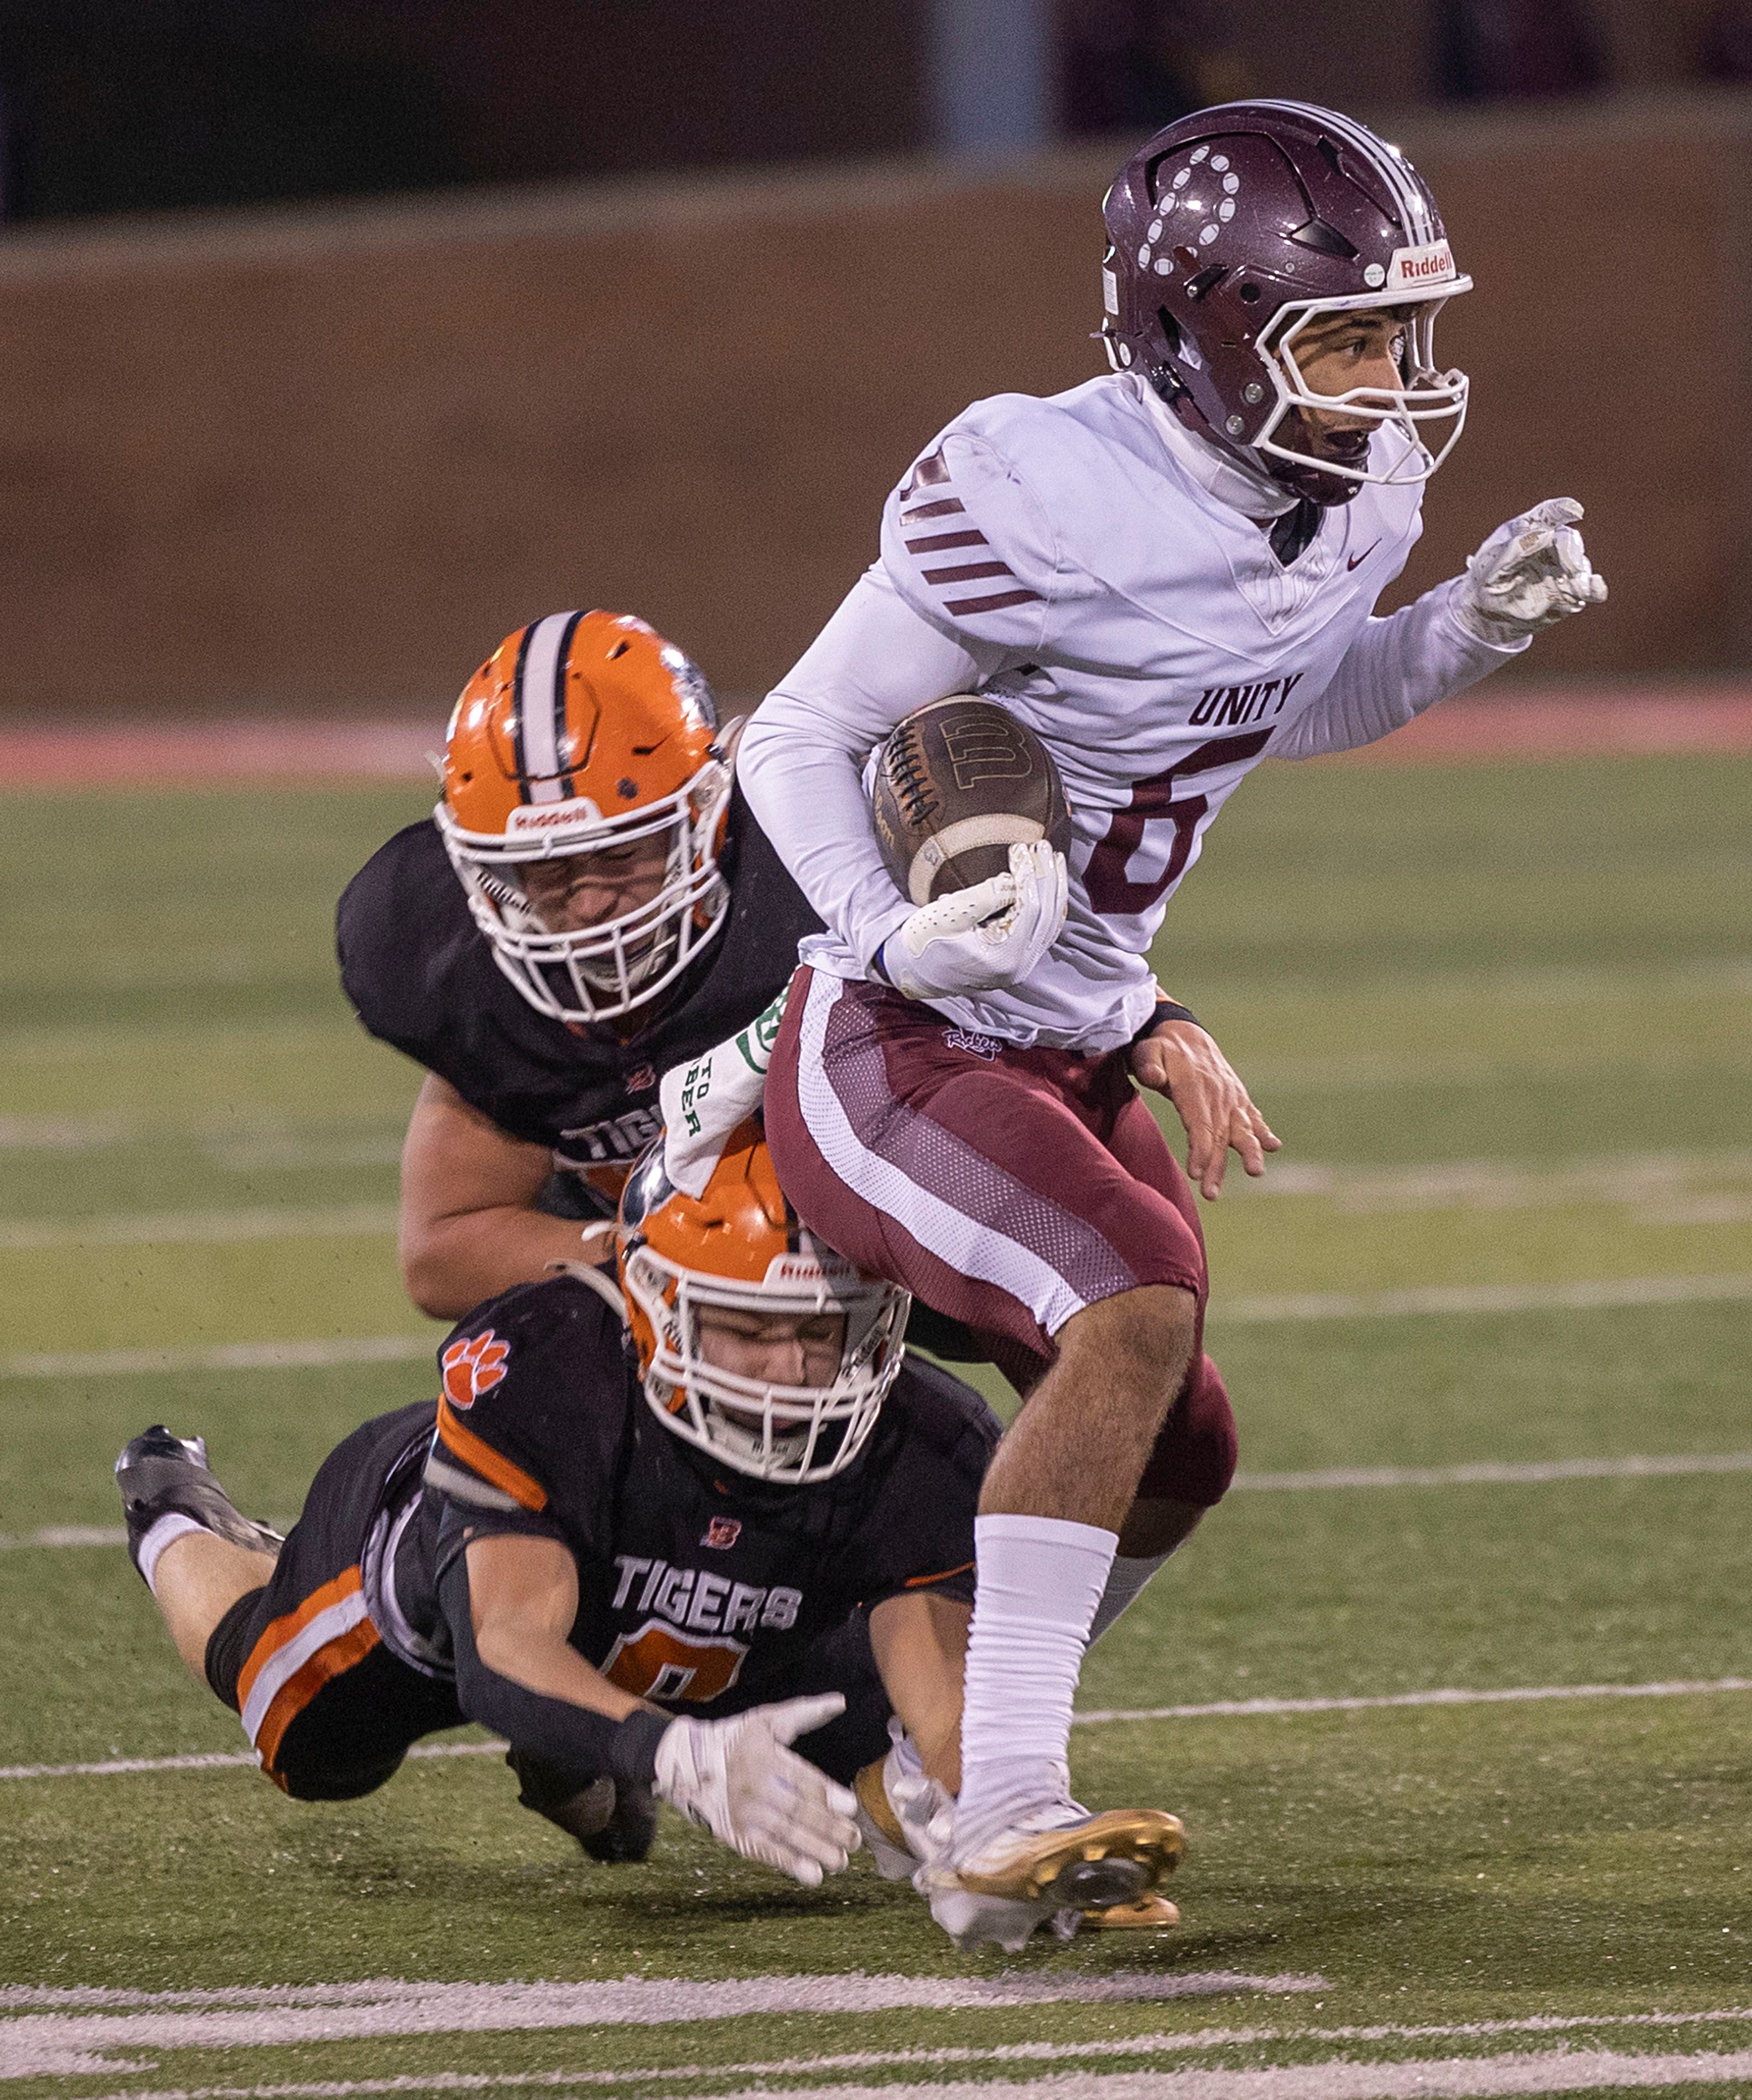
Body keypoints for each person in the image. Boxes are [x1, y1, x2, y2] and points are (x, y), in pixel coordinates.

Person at [732, 98, 1607, 1947]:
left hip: (1083, 1026)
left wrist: (1465, 627)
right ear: (1201, 326)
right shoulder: (1037, 484)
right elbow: (794, 737)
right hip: (897, 1035)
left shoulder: (1353, 486)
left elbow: (1268, 700)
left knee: (1181, 1436)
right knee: (1128, 1299)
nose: (1387, 378)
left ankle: (929, 1750)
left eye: (1396, 333)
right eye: (1345, 334)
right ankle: (1001, 1798)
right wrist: (898, 935)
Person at [110, 1121, 1183, 1932]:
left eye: (828, 1330)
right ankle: (171, 1505)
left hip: (734, 1650)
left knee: (867, 1730)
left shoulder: (927, 1440)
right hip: (469, 1590)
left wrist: (1005, 1839)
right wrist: (669, 1748)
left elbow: (945, 1706)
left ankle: (585, 1767)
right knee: (297, 1731)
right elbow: (504, 1649)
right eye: (750, 1329)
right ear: (657, 1306)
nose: (795, 1368)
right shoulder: (556, 1370)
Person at [336, 609, 821, 1321]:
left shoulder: (798, 884)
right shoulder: (470, 971)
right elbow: (442, 1249)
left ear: (707, 816)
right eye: (546, 868)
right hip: (647, 1271)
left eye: (621, 854)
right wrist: (657, 1262)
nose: (590, 902)